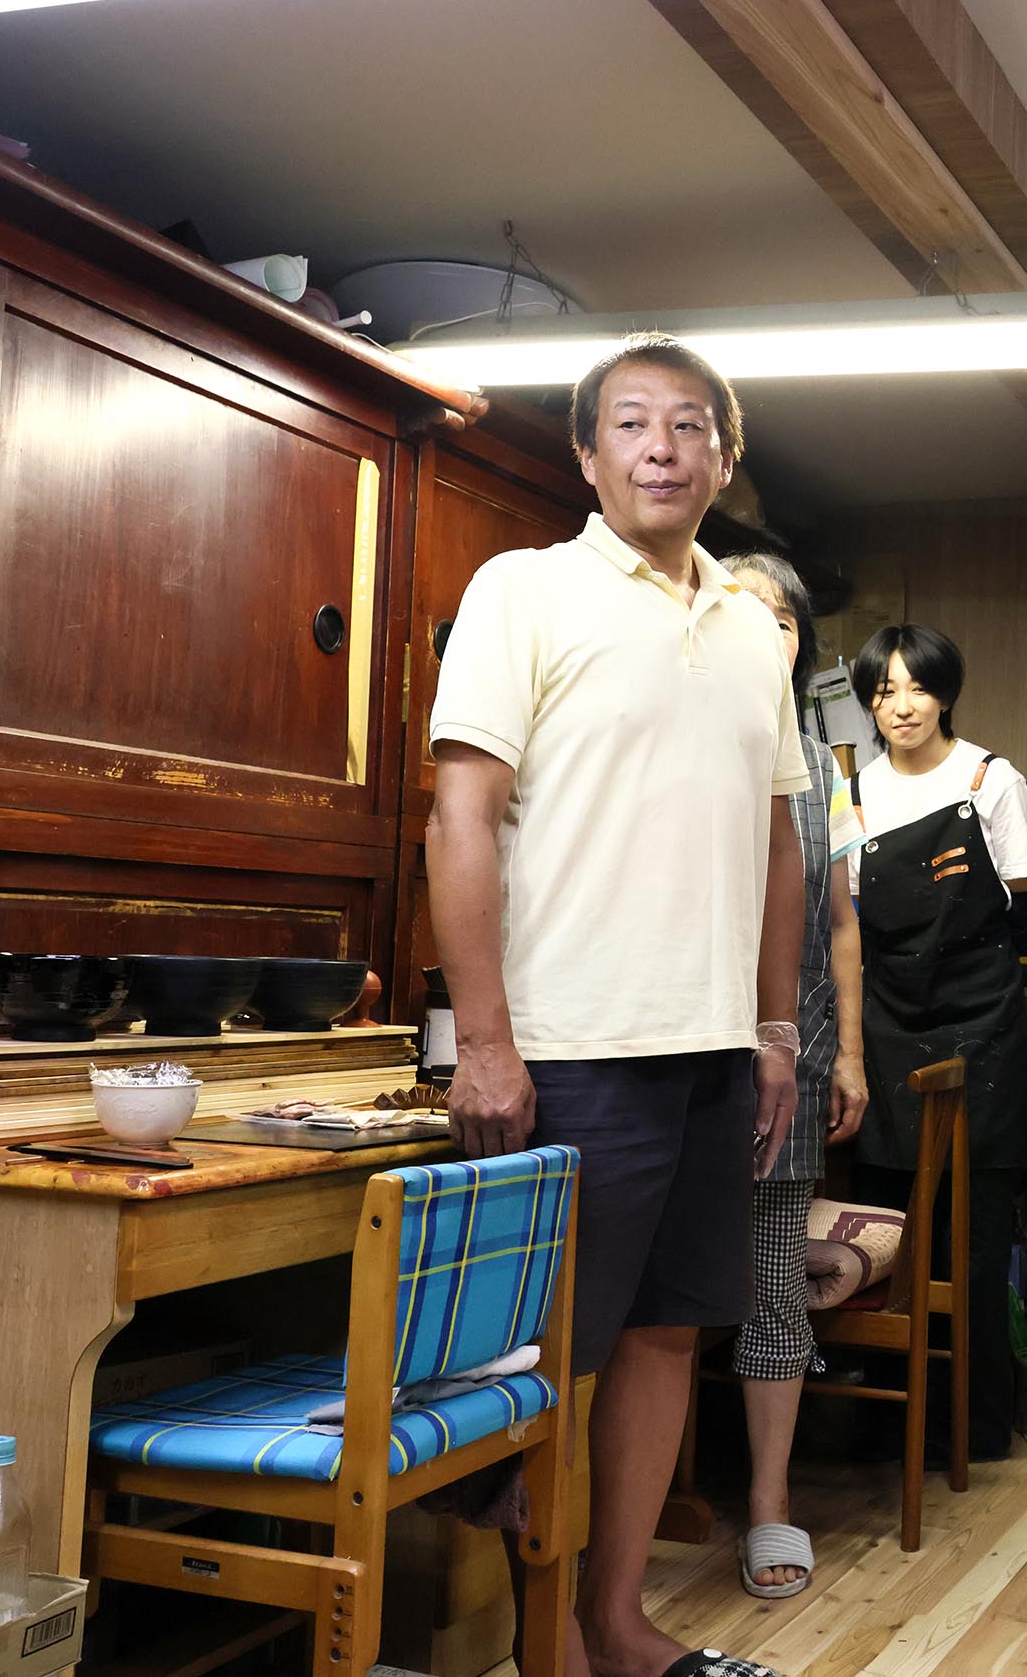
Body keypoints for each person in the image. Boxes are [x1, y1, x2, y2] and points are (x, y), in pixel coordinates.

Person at [425, 332, 803, 1677]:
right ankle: (540, 1644)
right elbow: (461, 812)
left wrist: (774, 1029)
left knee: (662, 1337)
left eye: (689, 424)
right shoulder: (521, 589)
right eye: (631, 423)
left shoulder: (754, 626)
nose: (661, 445)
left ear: (723, 457)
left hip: (711, 1050)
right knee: (548, 1361)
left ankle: (619, 1618)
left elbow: (778, 845)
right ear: (586, 455)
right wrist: (485, 1039)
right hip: (575, 1047)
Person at [846, 622, 1027, 1462]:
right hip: (886, 1018)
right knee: (896, 1216)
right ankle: (895, 1423)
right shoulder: (853, 789)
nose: (900, 705)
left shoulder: (990, 779)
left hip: (982, 1021)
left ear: (946, 692)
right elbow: (845, 923)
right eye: (882, 691)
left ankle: (978, 1425)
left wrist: (969, 978)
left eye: (915, 687)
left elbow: (1022, 907)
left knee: (979, 1224)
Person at [717, 551, 869, 1601]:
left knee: (775, 1285)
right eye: (732, 611)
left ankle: (769, 1504)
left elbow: (841, 923)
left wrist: (849, 1049)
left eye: (777, 618)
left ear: (800, 642)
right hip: (677, 1058)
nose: (757, 631)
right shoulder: (673, 742)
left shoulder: (830, 766)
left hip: (795, 1054)